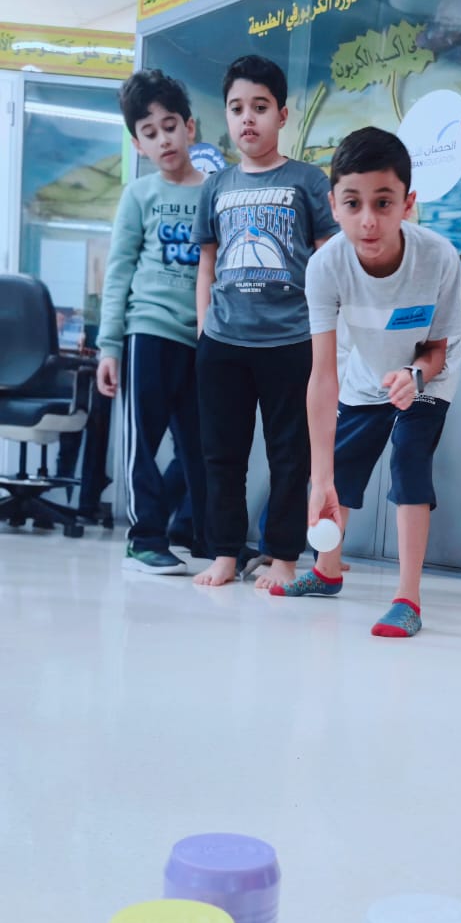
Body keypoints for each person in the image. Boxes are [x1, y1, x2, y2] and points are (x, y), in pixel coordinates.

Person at [271, 126, 461, 638]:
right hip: (365, 371)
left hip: (428, 376)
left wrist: (413, 376)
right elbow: (322, 374)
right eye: (353, 203)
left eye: (384, 202)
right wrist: (320, 477)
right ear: (333, 205)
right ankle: (326, 571)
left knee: (409, 460)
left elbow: (437, 348)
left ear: (408, 204)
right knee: (343, 467)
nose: (369, 220)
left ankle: (408, 598)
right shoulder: (325, 266)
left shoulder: (439, 257)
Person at [191, 54, 336, 590]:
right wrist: (204, 328)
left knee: (290, 456)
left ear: (282, 114)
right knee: (222, 456)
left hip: (291, 341)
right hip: (223, 343)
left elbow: (327, 259)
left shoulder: (308, 180)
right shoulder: (216, 186)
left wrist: (325, 335)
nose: (247, 118)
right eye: (236, 108)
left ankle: (283, 558)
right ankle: (224, 554)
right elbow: (207, 262)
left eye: (260, 107)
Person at [96, 69, 207, 574]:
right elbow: (118, 272)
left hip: (202, 339)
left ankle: (203, 534)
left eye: (170, 126)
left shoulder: (215, 192)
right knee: (143, 442)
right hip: (148, 332)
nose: (163, 139)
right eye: (150, 132)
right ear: (138, 144)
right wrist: (109, 346)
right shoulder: (139, 196)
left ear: (190, 127)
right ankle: (144, 539)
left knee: (201, 446)